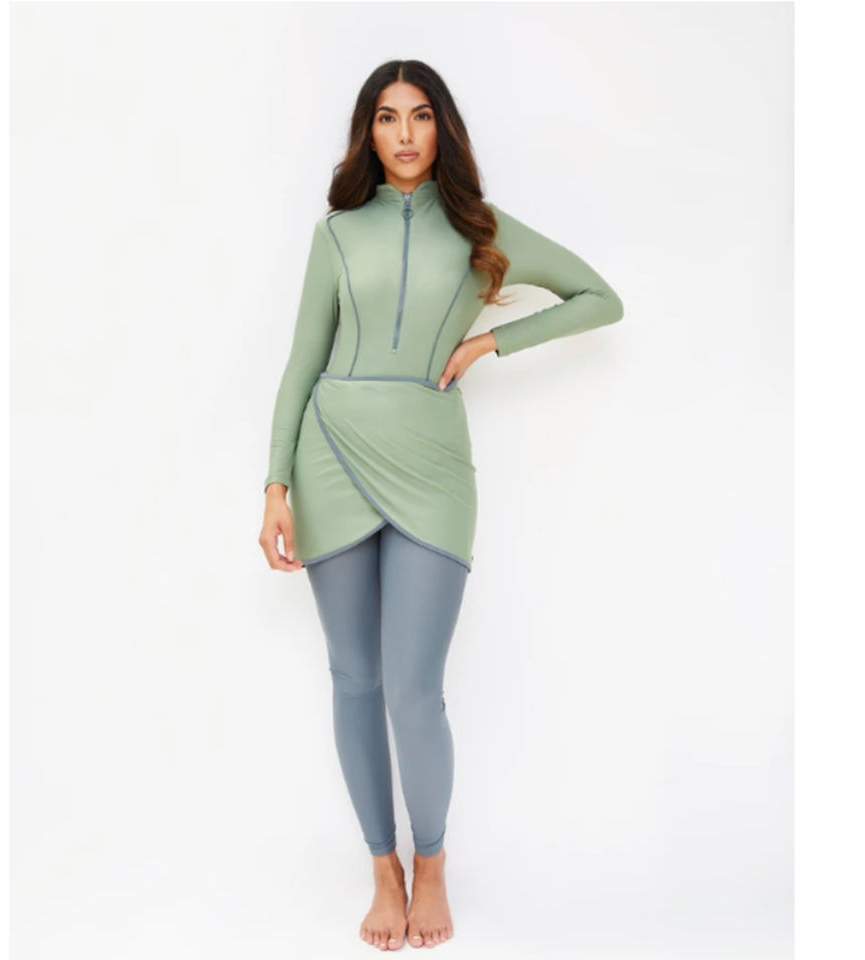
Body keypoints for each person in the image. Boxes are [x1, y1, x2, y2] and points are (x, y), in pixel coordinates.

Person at [260, 59, 624, 951]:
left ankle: (432, 862)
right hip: (331, 454)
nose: (405, 134)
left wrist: (489, 344)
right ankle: (381, 867)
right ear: (368, 133)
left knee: (415, 689)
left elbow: (600, 299)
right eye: (387, 118)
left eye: (420, 116)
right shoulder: (337, 233)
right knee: (355, 678)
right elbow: (302, 362)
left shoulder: (480, 228)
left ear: (442, 128)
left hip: (433, 468)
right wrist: (275, 484)